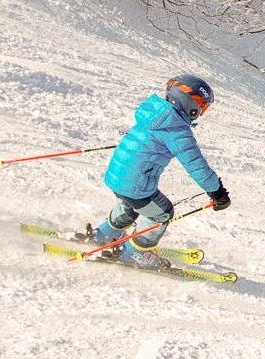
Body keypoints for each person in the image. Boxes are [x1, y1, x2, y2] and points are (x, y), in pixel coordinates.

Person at [88, 75, 231, 268]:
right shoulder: (176, 129)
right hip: (135, 183)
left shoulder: (155, 113)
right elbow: (196, 166)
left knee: (132, 205)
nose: (200, 110)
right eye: (199, 103)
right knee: (162, 213)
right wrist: (217, 192)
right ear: (186, 101)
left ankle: (104, 234)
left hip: (117, 175)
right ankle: (133, 253)